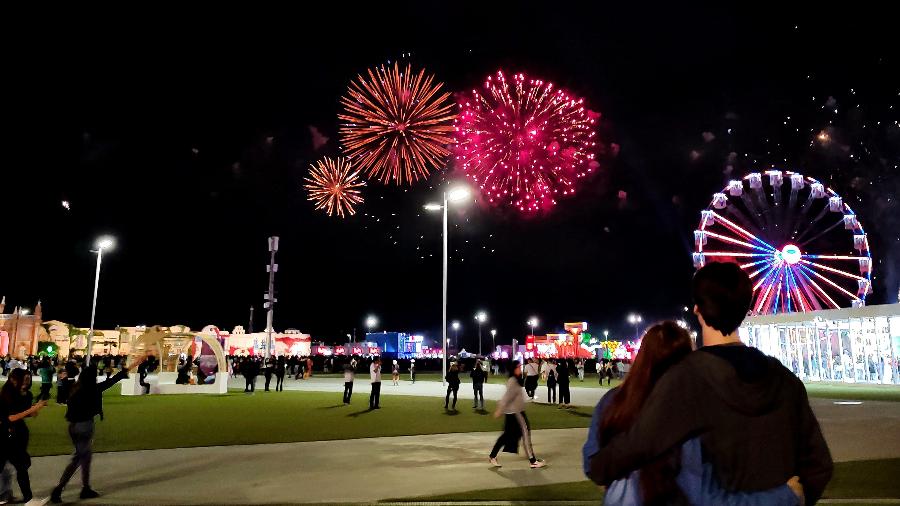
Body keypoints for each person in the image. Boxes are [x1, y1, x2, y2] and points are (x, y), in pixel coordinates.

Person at [588, 262, 833, 504]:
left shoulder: (686, 379)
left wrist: (601, 467)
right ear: (745, 309)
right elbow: (819, 466)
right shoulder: (785, 379)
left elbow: (640, 444)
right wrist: (793, 498)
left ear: (698, 310)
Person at [582, 321, 803, 505]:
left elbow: (592, 464)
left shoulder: (612, 401)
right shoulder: (689, 409)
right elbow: (706, 497)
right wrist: (786, 496)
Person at [50, 355, 145, 503]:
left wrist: (64, 377)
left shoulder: (75, 388)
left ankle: (85, 488)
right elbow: (114, 379)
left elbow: (62, 393)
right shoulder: (93, 388)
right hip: (84, 426)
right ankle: (60, 489)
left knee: (84, 458)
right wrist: (134, 364)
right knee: (79, 459)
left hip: (73, 426)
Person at [0, 369, 48, 503]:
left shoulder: (27, 394)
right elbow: (10, 417)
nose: (27, 382)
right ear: (13, 380)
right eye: (24, 379)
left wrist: (35, 409)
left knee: (14, 466)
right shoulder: (6, 395)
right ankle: (28, 499)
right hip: (5, 434)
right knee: (20, 466)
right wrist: (31, 410)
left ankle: (5, 496)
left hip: (18, 433)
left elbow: (26, 414)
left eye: (28, 379)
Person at [489, 362, 546, 469]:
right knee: (525, 434)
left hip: (513, 413)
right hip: (517, 414)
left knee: (506, 436)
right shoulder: (513, 381)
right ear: (514, 369)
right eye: (519, 367)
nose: (521, 369)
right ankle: (533, 461)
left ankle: (492, 456)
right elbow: (506, 398)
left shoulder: (515, 380)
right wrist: (499, 410)